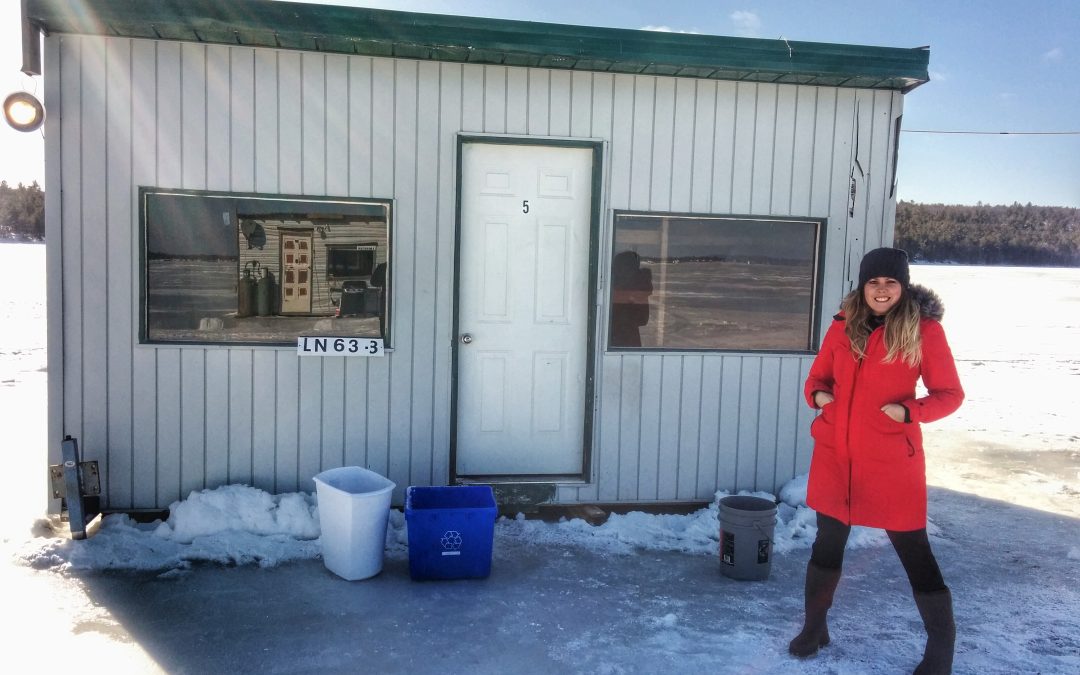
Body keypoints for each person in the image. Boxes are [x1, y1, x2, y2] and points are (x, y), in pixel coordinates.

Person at [789, 247, 964, 674]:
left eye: (890, 282)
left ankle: (940, 651)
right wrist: (819, 396)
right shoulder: (842, 326)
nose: (881, 290)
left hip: (891, 462)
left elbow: (950, 395)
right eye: (873, 282)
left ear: (902, 287)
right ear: (862, 286)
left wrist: (910, 411)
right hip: (835, 456)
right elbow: (816, 378)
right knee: (827, 542)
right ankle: (815, 627)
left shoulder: (924, 331)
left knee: (914, 550)